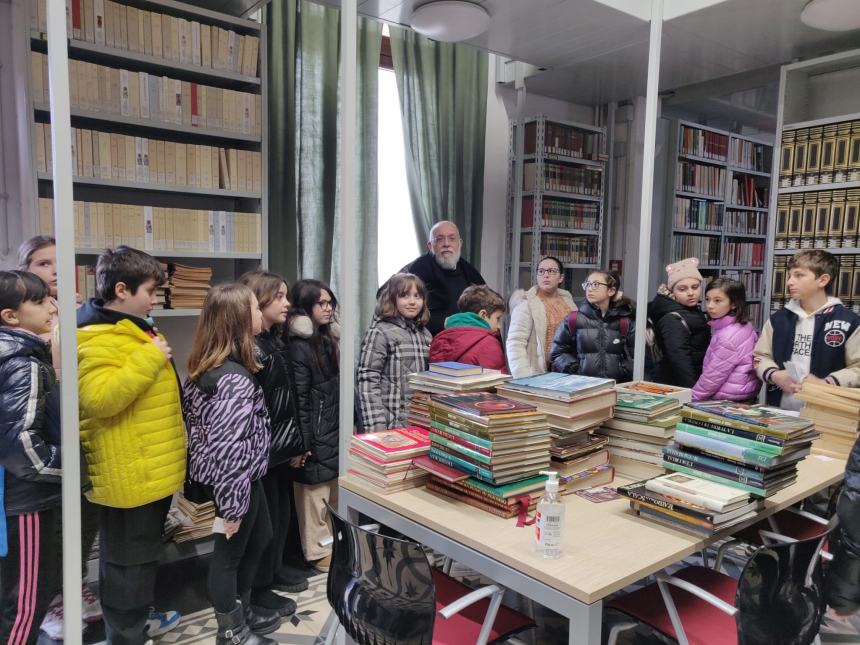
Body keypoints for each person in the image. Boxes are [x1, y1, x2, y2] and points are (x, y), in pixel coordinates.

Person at [77, 246, 186, 645]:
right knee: (125, 566)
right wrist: (149, 359)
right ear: (121, 289)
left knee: (138, 563)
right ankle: (124, 635)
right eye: (151, 291)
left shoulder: (135, 328)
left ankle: (137, 623)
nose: (155, 299)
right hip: (127, 478)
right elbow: (100, 400)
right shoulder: (92, 337)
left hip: (147, 471)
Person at [17, 236, 110, 639]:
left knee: (84, 525)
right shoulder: (24, 328)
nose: (54, 271)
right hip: (43, 450)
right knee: (50, 539)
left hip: (83, 433)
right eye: (43, 263)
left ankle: (75, 591)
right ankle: (51, 602)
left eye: (60, 262)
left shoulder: (80, 314)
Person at [184, 283, 278, 645]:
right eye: (255, 308)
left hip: (242, 477)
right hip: (234, 481)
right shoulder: (233, 380)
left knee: (261, 538)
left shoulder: (218, 367)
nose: (260, 314)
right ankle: (232, 630)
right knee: (228, 555)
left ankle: (243, 608)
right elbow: (227, 451)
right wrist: (233, 506)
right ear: (239, 318)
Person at [0, 270, 61, 644]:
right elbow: (23, 448)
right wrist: (71, 467)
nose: (51, 306)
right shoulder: (23, 363)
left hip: (12, 497)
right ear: (10, 316)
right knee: (26, 599)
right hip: (26, 500)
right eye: (39, 301)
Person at [239, 271, 302, 619]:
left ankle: (271, 577)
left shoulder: (272, 340)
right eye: (278, 296)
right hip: (262, 452)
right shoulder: (251, 348)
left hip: (277, 448)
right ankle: (259, 589)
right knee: (263, 525)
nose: (286, 303)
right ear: (257, 301)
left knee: (278, 518)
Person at [754, 249, 860, 410]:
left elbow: (857, 367)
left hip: (829, 414)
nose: (789, 282)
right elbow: (759, 357)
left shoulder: (849, 322)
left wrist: (826, 383)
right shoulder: (778, 319)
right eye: (790, 275)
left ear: (823, 280)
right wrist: (775, 375)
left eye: (799, 275)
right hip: (780, 412)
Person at [286, 280, 340, 573]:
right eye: (321, 303)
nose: (328, 307)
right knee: (313, 498)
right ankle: (317, 552)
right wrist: (303, 443)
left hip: (332, 429)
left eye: (330, 302)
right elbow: (300, 399)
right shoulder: (298, 347)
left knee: (332, 494)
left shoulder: (329, 339)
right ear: (305, 306)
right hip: (314, 433)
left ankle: (333, 545)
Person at [357, 273, 432, 433]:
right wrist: (376, 427)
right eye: (404, 296)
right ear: (392, 299)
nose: (412, 302)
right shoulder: (379, 331)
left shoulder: (425, 334)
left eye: (417, 296)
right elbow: (368, 381)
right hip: (389, 425)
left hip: (419, 423)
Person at [393, 221, 485, 335]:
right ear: (430, 245)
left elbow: (488, 311)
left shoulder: (470, 273)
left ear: (460, 243)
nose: (446, 244)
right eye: (439, 239)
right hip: (424, 344)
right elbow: (386, 298)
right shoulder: (415, 270)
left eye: (452, 238)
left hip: (466, 344)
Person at [550, 270, 634, 381]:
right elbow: (557, 352)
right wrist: (576, 369)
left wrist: (623, 370)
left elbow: (638, 357)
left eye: (596, 284)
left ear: (611, 291)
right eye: (588, 284)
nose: (589, 288)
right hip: (582, 387)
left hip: (616, 388)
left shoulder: (625, 321)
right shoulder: (573, 319)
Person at [691, 278, 760, 402]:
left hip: (728, 401)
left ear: (733, 303)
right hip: (744, 396)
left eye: (718, 301)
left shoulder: (727, 336)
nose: (710, 306)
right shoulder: (744, 325)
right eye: (707, 299)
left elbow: (713, 376)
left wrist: (691, 398)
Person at [507, 256, 575, 378]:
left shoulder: (569, 303)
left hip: (566, 372)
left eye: (551, 271)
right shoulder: (526, 304)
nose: (546, 275)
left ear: (561, 277)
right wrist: (522, 377)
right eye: (541, 271)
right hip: (537, 374)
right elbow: (515, 343)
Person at [647, 257, 710, 387]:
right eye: (682, 289)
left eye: (695, 287)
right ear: (672, 291)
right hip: (679, 384)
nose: (691, 293)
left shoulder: (689, 309)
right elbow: (679, 359)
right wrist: (692, 391)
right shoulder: (672, 318)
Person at [429, 284, 507, 371]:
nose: (499, 326)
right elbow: (497, 380)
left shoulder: (440, 339)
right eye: (497, 318)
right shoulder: (490, 343)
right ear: (483, 315)